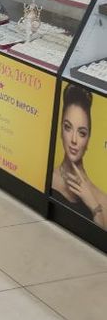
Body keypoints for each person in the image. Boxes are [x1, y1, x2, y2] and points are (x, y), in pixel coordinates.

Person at [51, 83, 106, 227]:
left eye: (82, 133)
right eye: (68, 127)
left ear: (88, 140)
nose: (74, 140)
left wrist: (93, 204)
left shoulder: (101, 198)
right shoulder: (48, 178)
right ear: (61, 131)